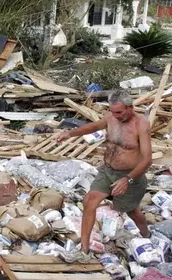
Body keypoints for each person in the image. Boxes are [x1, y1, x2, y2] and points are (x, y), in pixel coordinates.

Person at [57, 90, 152, 261]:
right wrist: (70, 133)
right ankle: (84, 251)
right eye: (112, 111)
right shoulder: (111, 118)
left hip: (130, 176)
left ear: (130, 107)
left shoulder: (141, 124)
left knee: (132, 212)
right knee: (89, 200)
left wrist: (127, 179)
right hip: (107, 172)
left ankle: (147, 235)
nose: (115, 115)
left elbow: (147, 159)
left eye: (119, 112)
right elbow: (94, 126)